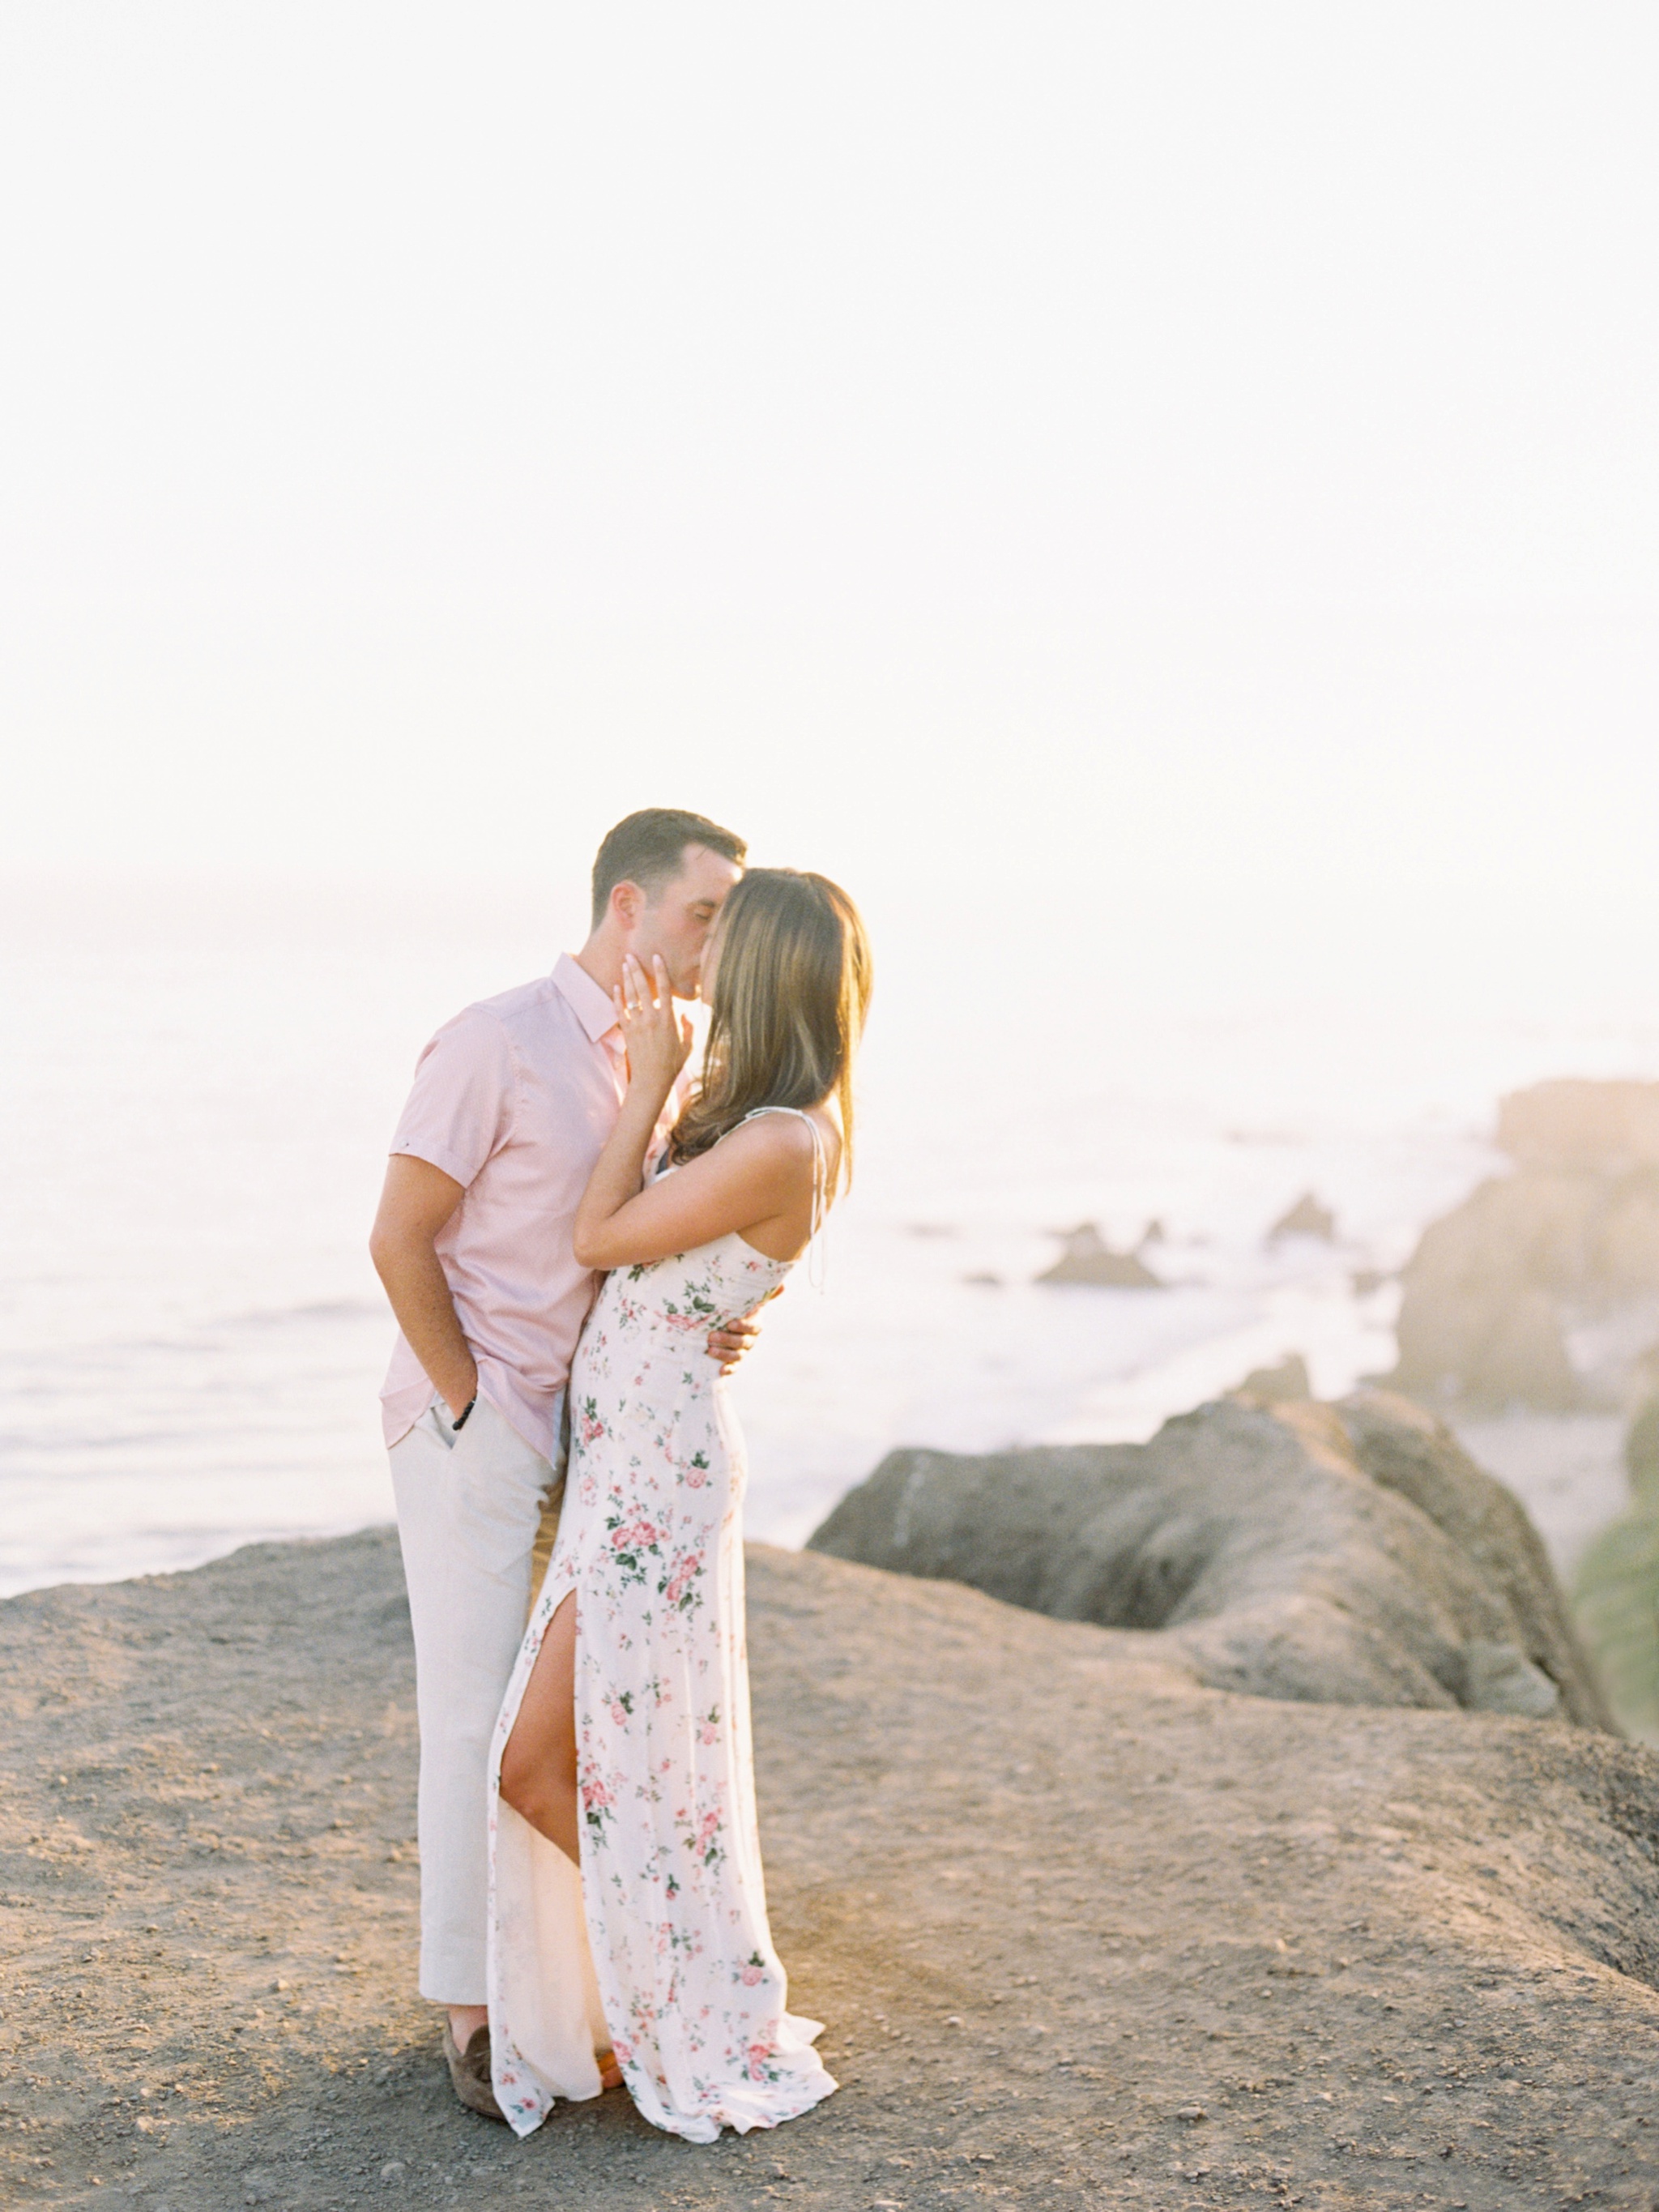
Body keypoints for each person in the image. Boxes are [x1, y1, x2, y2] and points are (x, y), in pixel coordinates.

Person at [369, 807, 760, 2119]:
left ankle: (567, 1989)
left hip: (596, 1443)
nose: (721, 940)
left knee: (564, 1717)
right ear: (629, 907)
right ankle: (472, 2014)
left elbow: (631, 1246)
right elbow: (398, 1236)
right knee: (473, 1714)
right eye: (707, 912)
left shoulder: (661, 1062)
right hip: (481, 1423)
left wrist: (705, 1315)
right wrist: (470, 1404)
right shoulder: (496, 1039)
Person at [485, 867, 872, 2144]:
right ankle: (652, 1988)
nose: (700, 962)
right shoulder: (750, 1122)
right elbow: (659, 1273)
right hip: (631, 1460)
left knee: (547, 1762)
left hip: (656, 1476)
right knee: (608, 1762)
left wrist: (648, 1082)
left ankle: (678, 1992)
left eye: (723, 939)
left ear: (763, 970)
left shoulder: (784, 1137)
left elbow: (600, 1238)